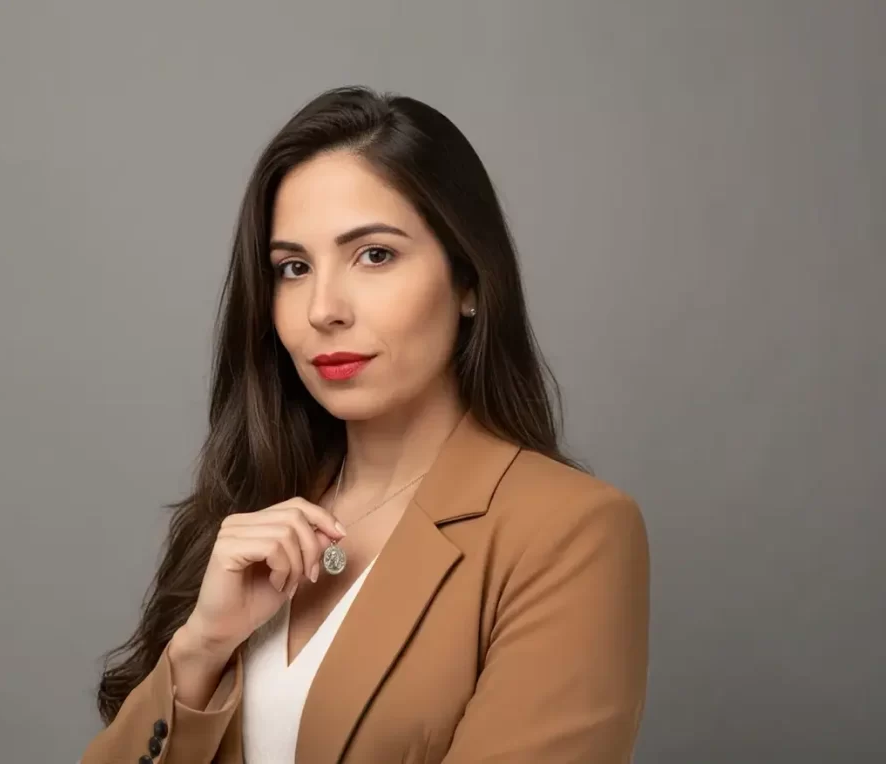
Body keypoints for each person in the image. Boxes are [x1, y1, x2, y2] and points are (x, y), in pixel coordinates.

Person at [80, 85, 649, 764]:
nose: (323, 309)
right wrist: (201, 647)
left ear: (469, 279)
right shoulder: (246, 512)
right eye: (293, 268)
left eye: (374, 255)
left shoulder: (568, 532)